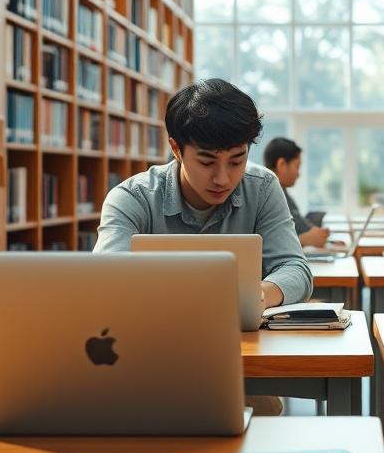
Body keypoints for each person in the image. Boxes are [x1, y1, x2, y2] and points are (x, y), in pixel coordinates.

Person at [94, 78, 312, 310]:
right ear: (176, 149)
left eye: (236, 161)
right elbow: (105, 280)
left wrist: (259, 295)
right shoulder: (132, 198)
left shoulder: (262, 188)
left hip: (244, 339)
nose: (223, 179)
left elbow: (295, 269)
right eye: (207, 162)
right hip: (149, 337)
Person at [262, 137, 332, 249]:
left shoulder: (283, 194)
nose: (298, 174)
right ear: (282, 164)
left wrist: (325, 239)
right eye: (297, 166)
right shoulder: (266, 198)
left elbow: (301, 227)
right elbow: (266, 245)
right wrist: (302, 240)